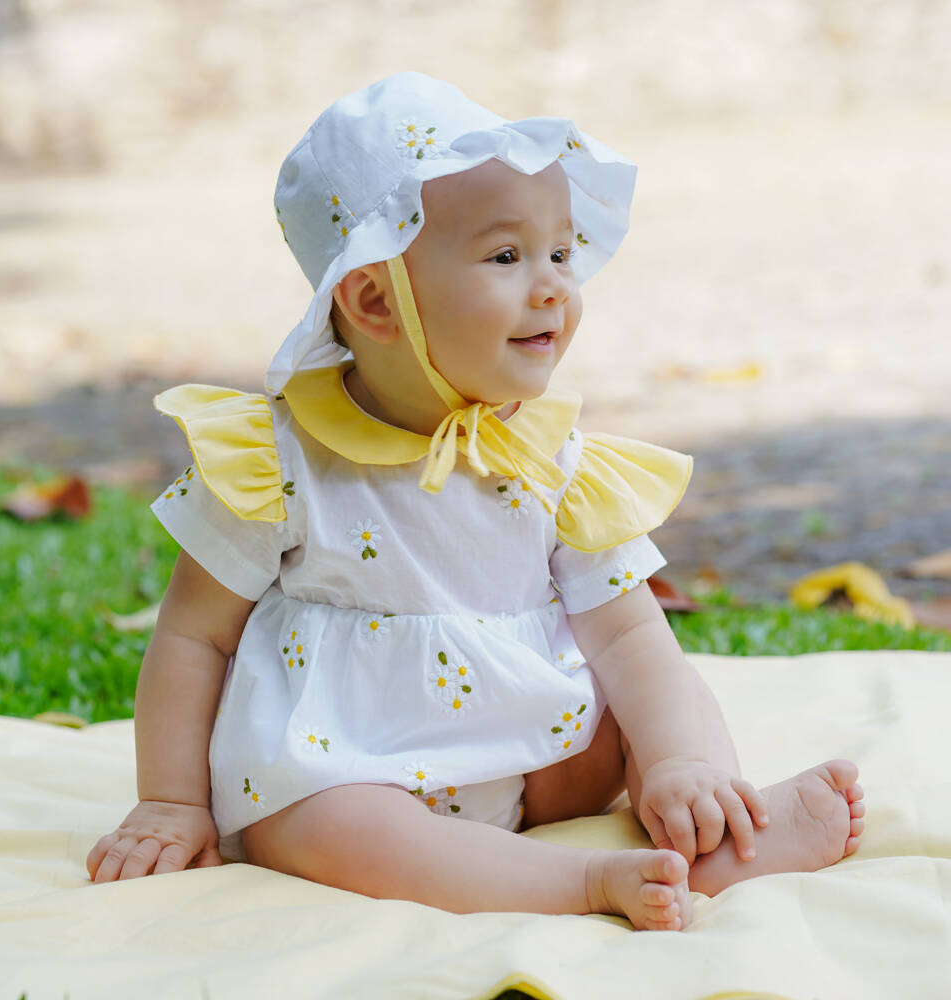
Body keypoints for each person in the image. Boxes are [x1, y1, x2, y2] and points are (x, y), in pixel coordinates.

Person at [86, 73, 865, 931]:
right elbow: (194, 636)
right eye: (507, 257)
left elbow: (634, 634)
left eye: (562, 253)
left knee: (648, 709)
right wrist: (170, 801)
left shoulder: (549, 456)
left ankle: (719, 833)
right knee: (312, 822)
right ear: (376, 300)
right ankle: (580, 884)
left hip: (541, 760)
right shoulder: (278, 461)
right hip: (354, 765)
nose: (553, 287)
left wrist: (682, 759)